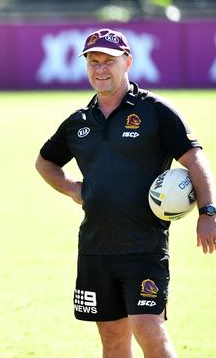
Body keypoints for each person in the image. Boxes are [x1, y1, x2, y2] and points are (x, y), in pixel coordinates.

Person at [35, 28, 216, 358]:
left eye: (109, 61)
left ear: (128, 62)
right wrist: (72, 188)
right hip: (95, 247)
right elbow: (45, 162)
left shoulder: (155, 111)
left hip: (144, 247)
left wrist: (208, 213)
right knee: (112, 339)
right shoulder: (79, 121)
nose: (100, 69)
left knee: (149, 330)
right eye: (93, 61)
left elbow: (195, 159)